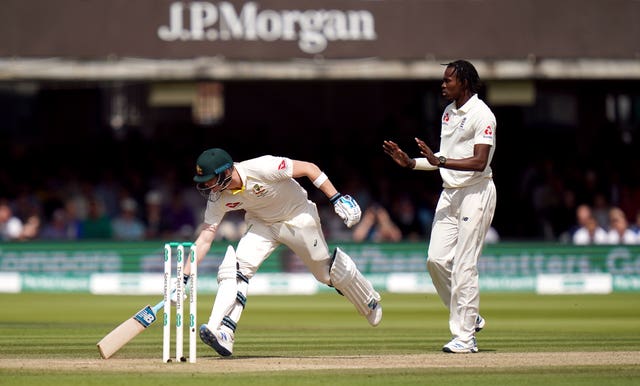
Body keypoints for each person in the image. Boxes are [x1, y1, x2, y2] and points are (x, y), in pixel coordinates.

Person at [179, 147, 382, 357]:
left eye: (211, 179)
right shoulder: (217, 198)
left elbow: (309, 169)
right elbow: (204, 239)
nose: (208, 186)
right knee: (235, 269)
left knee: (326, 275)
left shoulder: (263, 166)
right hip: (262, 225)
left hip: (298, 217)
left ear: (227, 171)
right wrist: (183, 278)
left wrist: (336, 198)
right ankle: (223, 333)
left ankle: (369, 299)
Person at [382, 60, 497, 354]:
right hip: (450, 193)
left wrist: (441, 161)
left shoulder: (482, 114)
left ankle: (465, 337)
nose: (442, 85)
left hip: (476, 191)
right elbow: (441, 157)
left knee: (464, 264)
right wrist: (410, 163)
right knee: (435, 261)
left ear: (465, 83)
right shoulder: (448, 113)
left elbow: (479, 161)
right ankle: (469, 315)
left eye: (448, 81)